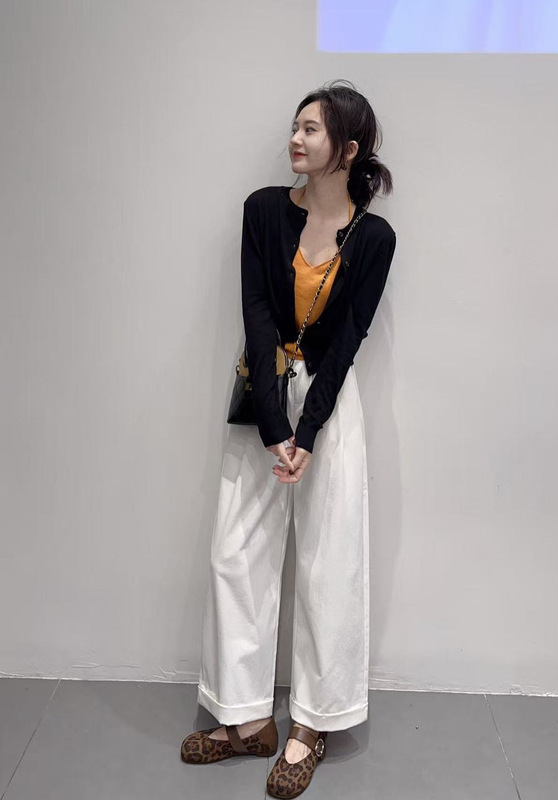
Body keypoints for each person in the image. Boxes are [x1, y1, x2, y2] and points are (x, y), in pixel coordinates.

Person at [181, 79, 396, 799]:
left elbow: (349, 340)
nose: (295, 139)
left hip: (330, 405)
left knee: (330, 561)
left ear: (348, 149)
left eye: (312, 129)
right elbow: (256, 310)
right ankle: (245, 718)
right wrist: (276, 425)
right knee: (235, 551)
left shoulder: (374, 239)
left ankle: (312, 723)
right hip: (262, 394)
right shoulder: (264, 210)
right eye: (295, 126)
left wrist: (308, 430)